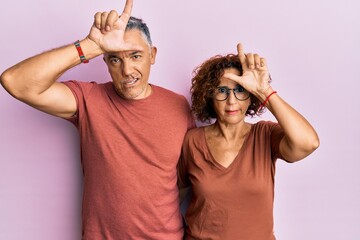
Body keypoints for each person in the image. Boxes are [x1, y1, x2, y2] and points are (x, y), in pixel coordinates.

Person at [0, 0, 195, 239]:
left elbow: (183, 180)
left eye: (135, 56)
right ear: (104, 61)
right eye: (115, 59)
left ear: (152, 55)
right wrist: (90, 46)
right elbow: (16, 82)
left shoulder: (178, 105)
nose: (127, 70)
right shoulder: (89, 99)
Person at [177, 43, 320, 240]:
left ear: (250, 96)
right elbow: (174, 197)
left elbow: (308, 143)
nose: (232, 101)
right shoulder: (192, 141)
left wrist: (264, 90)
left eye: (240, 90)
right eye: (222, 90)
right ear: (209, 95)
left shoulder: (265, 135)